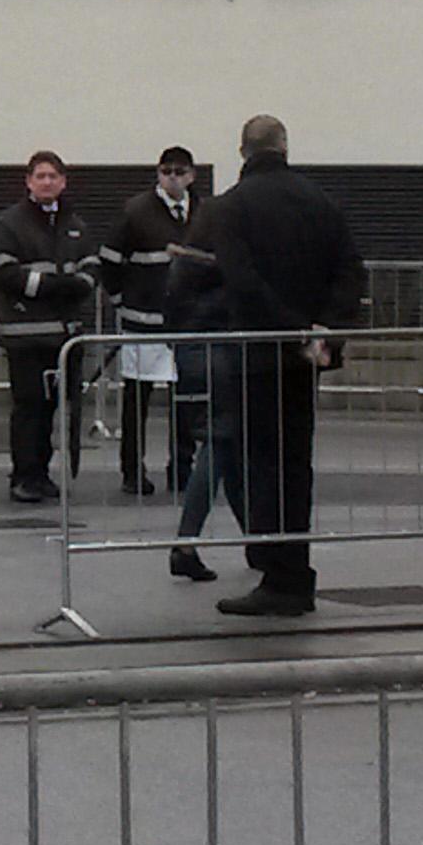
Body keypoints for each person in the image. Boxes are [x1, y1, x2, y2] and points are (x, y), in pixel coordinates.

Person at [205, 116, 366, 618]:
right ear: (285, 147)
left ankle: (278, 575)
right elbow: (350, 271)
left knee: (259, 466)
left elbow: (242, 281)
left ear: (243, 151)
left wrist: (292, 329)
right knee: (296, 465)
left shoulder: (230, 207)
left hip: (259, 352)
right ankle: (296, 572)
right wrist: (323, 331)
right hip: (307, 357)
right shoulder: (322, 202)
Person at [0, 152, 109, 505]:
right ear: (28, 181)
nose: (47, 182)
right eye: (40, 176)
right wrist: (55, 287)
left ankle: (41, 472)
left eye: (53, 176)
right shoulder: (8, 224)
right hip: (24, 335)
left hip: (64, 336)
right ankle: (24, 476)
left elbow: (91, 269)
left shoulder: (75, 225)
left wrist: (74, 285)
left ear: (63, 182)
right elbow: (4, 274)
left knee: (52, 407)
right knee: (29, 407)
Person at [107, 147, 205, 497]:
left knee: (187, 400)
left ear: (192, 175)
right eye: (166, 171)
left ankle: (182, 468)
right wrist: (121, 301)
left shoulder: (204, 212)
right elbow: (110, 261)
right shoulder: (136, 211)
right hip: (143, 323)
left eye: (179, 172)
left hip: (187, 323)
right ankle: (132, 471)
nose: (173, 178)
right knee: (137, 401)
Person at [162, 219, 235, 583]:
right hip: (221, 354)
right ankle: (186, 541)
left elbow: (170, 315)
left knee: (226, 445)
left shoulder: (181, 270)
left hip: (189, 354)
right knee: (221, 442)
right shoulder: (226, 272)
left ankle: (259, 541)